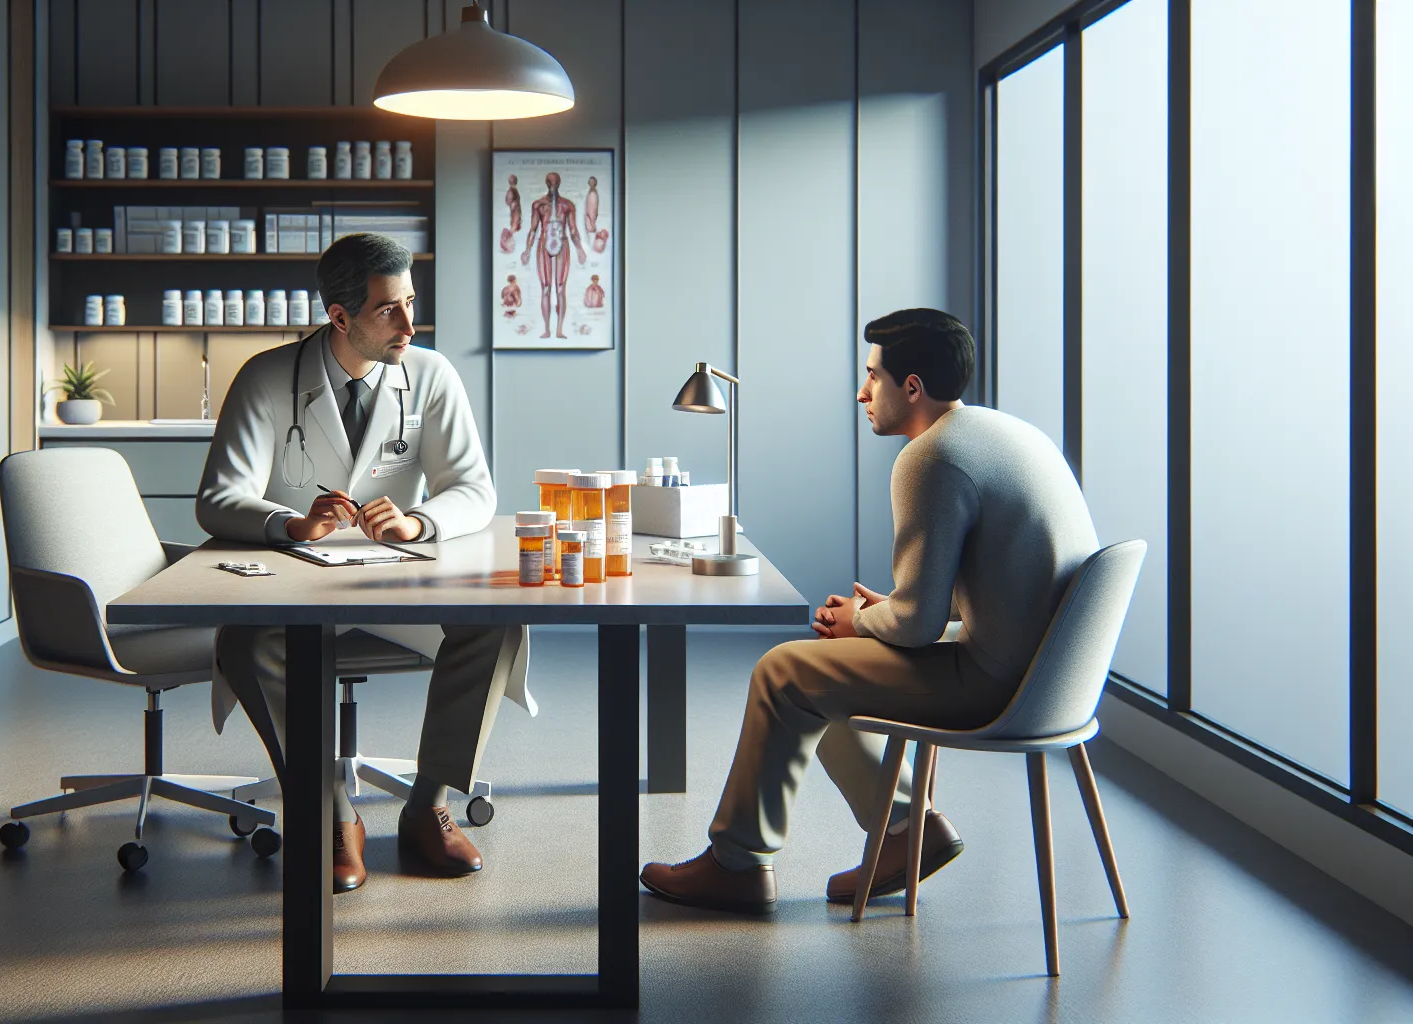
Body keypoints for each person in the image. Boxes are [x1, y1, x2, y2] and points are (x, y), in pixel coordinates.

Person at [639, 308, 1099, 913]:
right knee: (825, 671)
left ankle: (738, 865)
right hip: (1059, 680)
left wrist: (864, 620)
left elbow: (916, 626)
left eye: (872, 376)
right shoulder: (1006, 434)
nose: (862, 393)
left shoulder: (930, 458)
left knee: (785, 671)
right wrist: (884, 615)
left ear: (911, 388)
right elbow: (996, 599)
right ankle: (907, 831)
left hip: (1001, 688)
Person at [196, 233, 530, 894]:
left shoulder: (431, 375)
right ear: (340, 316)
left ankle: (427, 802)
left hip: (400, 586)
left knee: (497, 625)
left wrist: (418, 521)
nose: (409, 324)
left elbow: (474, 489)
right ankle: (331, 814)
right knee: (245, 642)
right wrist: (291, 523)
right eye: (388, 310)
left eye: (410, 303)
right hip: (296, 590)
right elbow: (218, 498)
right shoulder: (267, 377)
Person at [521, 171, 587, 339]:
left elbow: (573, 230)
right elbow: (533, 229)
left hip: (562, 243)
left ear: (559, 184)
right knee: (545, 288)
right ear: (546, 183)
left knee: (560, 288)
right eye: (550, 182)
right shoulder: (538, 205)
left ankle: (559, 330)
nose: (553, 186)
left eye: (555, 182)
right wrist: (527, 250)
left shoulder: (567, 205)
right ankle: (546, 329)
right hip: (544, 243)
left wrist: (579, 248)